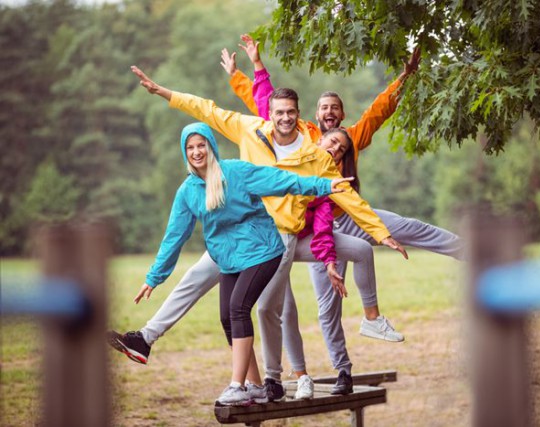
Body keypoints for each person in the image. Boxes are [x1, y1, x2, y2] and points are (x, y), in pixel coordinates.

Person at [112, 66, 407, 401]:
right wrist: (164, 92)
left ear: (299, 115)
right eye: (279, 112)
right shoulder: (251, 130)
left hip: (279, 235)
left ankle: (270, 379)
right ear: (270, 112)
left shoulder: (314, 151)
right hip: (237, 234)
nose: (284, 118)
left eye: (291, 113)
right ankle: (146, 338)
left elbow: (341, 193)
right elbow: (207, 110)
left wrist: (380, 232)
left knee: (267, 307)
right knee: (197, 278)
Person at [223, 34, 466, 390]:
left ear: (342, 115)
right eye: (324, 107)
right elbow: (265, 105)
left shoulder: (352, 136)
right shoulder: (304, 136)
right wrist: (244, 72)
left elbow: (380, 109)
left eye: (335, 108)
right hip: (318, 229)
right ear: (315, 114)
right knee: (327, 306)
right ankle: (342, 371)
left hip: (355, 218)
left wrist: (404, 78)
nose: (329, 113)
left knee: (410, 228)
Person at [109, 122, 350, 406]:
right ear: (184, 153)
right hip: (229, 258)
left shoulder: (237, 172)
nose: (197, 152)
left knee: (238, 308)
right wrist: (154, 277)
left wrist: (324, 184)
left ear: (211, 146)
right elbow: (174, 237)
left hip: (262, 250)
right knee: (227, 318)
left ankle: (237, 385)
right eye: (190, 147)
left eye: (201, 145)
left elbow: (282, 181)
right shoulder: (188, 192)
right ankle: (258, 387)